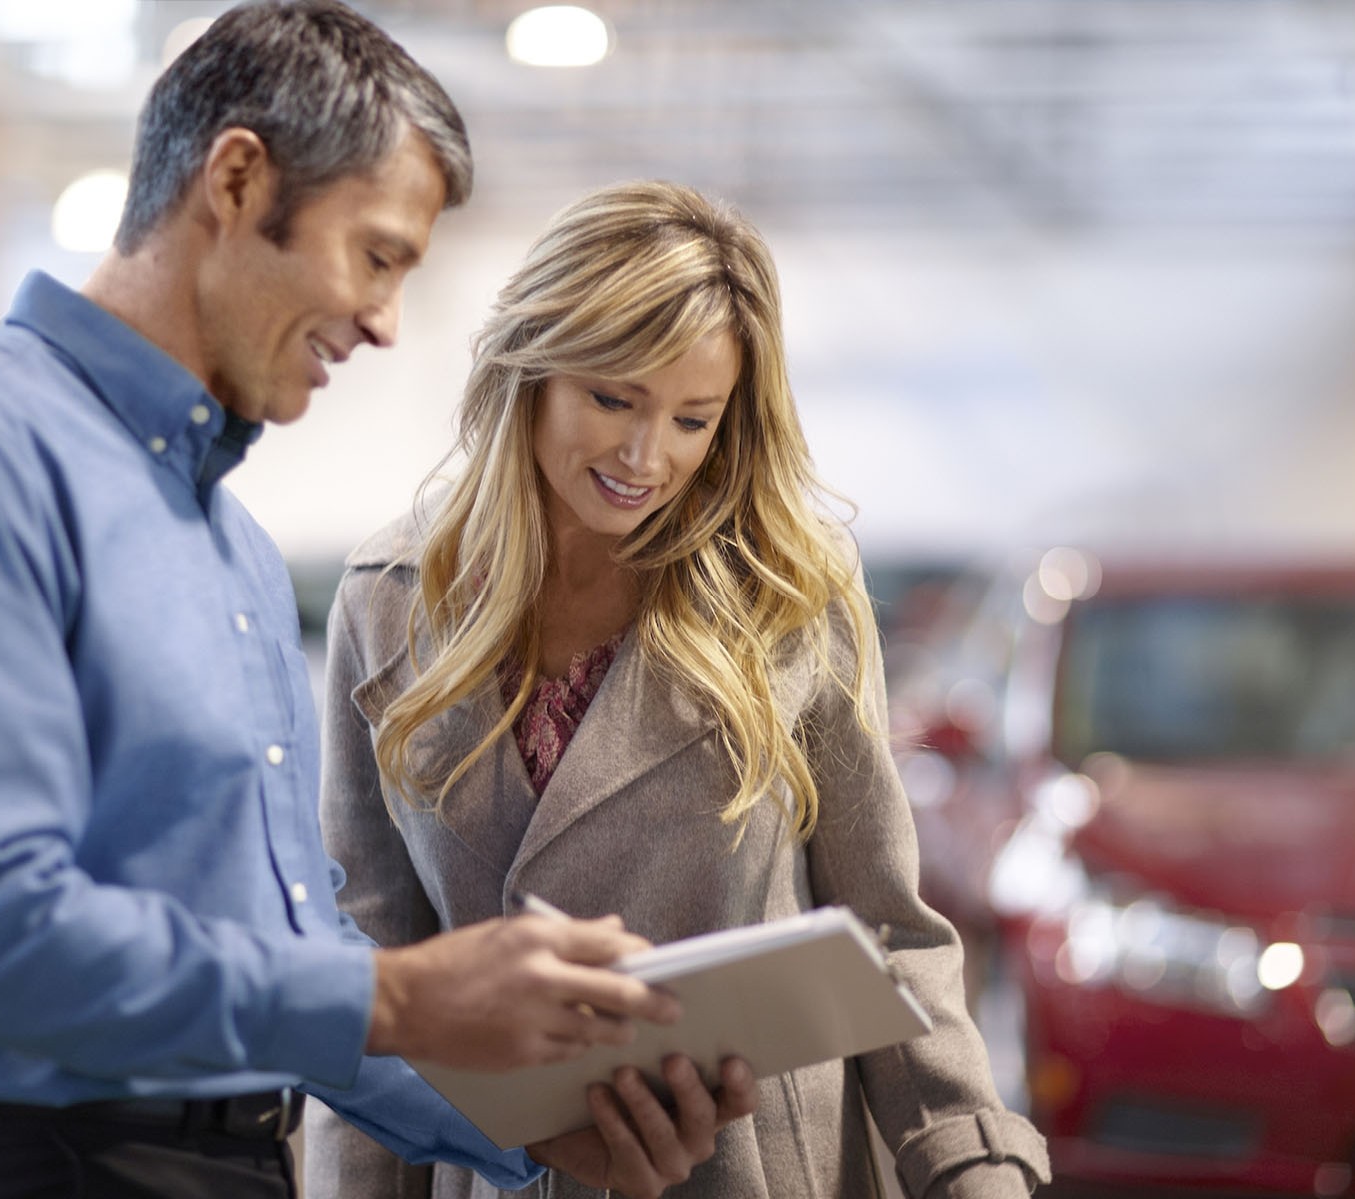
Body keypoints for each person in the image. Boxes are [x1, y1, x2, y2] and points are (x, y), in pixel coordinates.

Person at [0, 6, 752, 1196]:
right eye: (376, 256)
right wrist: (400, 993)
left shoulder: (228, 545)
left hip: (229, 1162)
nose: (385, 322)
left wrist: (532, 1131)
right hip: (33, 1166)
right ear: (235, 181)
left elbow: (289, 952)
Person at [308, 181, 1053, 1199]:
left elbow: (886, 926)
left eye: (692, 419)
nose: (644, 457)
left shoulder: (787, 590)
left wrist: (972, 1162)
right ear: (530, 366)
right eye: (613, 399)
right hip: (503, 1173)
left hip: (753, 1166)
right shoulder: (390, 599)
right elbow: (372, 964)